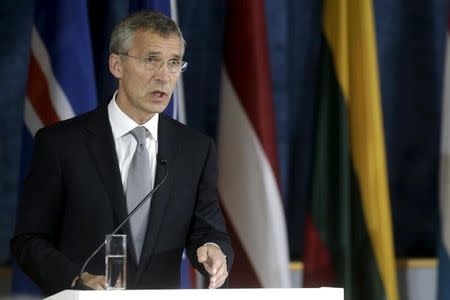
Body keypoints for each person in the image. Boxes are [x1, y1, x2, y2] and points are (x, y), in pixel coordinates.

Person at [11, 10, 234, 296]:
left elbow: (208, 230)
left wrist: (213, 249)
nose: (164, 76)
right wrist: (76, 279)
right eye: (151, 60)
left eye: (174, 63)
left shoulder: (195, 148)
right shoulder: (61, 143)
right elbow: (28, 240)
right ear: (117, 64)